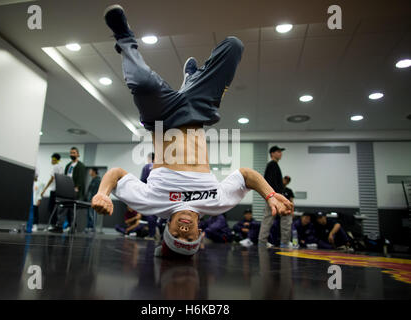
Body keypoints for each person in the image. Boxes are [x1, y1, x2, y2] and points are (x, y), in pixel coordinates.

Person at [92, 5, 293, 258]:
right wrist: (271, 194)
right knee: (233, 47)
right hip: (196, 112)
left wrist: (102, 193)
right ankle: (190, 81)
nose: (183, 232)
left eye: (176, 237)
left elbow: (117, 174)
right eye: (189, 238)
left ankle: (124, 38)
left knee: (142, 82)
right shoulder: (216, 204)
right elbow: (246, 176)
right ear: (200, 230)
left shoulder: (152, 204)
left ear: (167, 229)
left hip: (161, 118)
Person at [259, 146, 293, 248]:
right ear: (272, 153)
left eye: (281, 152)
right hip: (274, 197)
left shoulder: (275, 165)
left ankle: (284, 242)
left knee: (285, 216)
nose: (280, 153)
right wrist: (271, 197)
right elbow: (268, 183)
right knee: (269, 218)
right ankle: (263, 241)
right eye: (278, 152)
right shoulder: (272, 165)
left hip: (276, 197)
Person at [50, 147, 86, 233]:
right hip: (67, 190)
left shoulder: (81, 166)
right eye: (71, 153)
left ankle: (72, 227)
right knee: (62, 208)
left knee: (72, 211)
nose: (72, 154)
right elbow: (65, 177)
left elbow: (81, 179)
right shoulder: (68, 166)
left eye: (74, 153)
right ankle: (59, 226)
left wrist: (77, 188)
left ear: (78, 154)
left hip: (75, 191)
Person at [268, 175, 295, 246]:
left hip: (285, 209)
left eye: (287, 180)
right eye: (285, 179)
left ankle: (285, 242)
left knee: (286, 226)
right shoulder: (276, 189)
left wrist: (292, 211)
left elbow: (292, 201)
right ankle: (270, 241)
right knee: (271, 224)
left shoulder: (289, 191)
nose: (285, 181)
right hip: (276, 207)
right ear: (282, 179)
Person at [41, 153, 64, 227]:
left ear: (55, 160)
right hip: (59, 190)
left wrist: (44, 189)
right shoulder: (61, 167)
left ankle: (53, 224)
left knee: (51, 208)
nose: (51, 161)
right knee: (56, 208)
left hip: (54, 190)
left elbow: (51, 179)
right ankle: (55, 224)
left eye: (52, 159)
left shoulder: (55, 167)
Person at [140, 152, 158, 239]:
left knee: (150, 215)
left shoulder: (147, 167)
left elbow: (142, 181)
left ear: (150, 158)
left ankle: (152, 235)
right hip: (161, 195)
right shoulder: (162, 167)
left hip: (150, 194)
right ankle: (158, 233)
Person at [85, 167, 101, 233]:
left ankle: (92, 228)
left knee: (92, 214)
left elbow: (95, 192)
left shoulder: (97, 180)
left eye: (90, 171)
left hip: (93, 200)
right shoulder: (93, 179)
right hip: (89, 200)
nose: (89, 172)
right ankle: (89, 227)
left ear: (94, 171)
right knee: (89, 214)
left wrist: (94, 200)